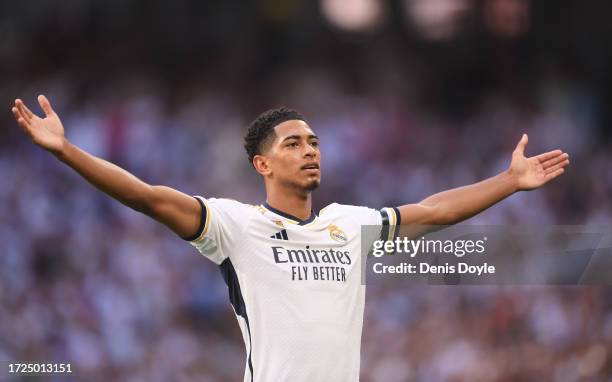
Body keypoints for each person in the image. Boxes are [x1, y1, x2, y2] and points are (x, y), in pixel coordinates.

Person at [11, 96, 570, 382]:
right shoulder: (234, 225)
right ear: (262, 163)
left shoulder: (350, 225)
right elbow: (148, 197)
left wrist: (510, 181)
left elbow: (433, 211)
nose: (310, 150)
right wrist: (68, 151)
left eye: (315, 141)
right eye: (294, 143)